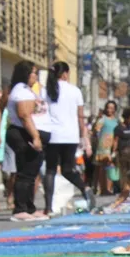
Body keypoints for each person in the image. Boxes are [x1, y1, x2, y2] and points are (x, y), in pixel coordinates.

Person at [43, 61, 94, 214]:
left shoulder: (46, 91)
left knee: (50, 170)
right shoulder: (75, 91)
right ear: (65, 73)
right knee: (68, 169)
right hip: (70, 136)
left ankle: (48, 207)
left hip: (52, 135)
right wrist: (85, 139)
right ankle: (85, 188)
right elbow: (80, 117)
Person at [5, 61, 49, 221]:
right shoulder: (20, 90)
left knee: (31, 173)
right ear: (25, 74)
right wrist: (36, 137)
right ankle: (20, 209)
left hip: (28, 133)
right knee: (25, 173)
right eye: (33, 73)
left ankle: (29, 208)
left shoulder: (27, 90)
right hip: (24, 133)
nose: (35, 76)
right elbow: (24, 115)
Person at [93, 101, 119, 195]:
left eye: (112, 108)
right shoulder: (102, 119)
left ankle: (109, 188)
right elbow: (96, 131)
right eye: (108, 107)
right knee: (103, 167)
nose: (109, 110)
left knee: (111, 167)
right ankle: (103, 189)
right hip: (104, 146)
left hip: (113, 145)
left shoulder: (116, 121)